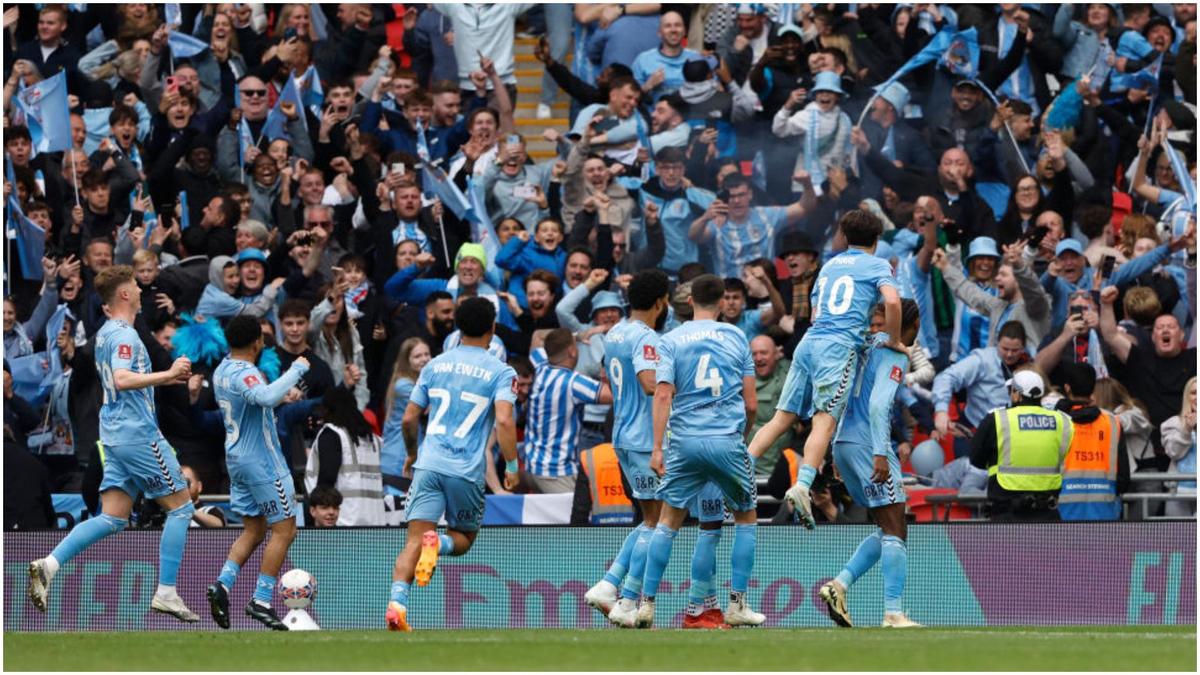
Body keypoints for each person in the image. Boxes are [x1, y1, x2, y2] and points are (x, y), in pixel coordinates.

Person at [27, 265, 198, 622]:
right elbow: (121, 379)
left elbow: (125, 381)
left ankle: (51, 563)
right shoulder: (124, 336)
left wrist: (166, 382)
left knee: (113, 517)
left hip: (115, 436)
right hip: (138, 435)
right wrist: (168, 374)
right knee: (181, 508)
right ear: (124, 294)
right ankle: (166, 592)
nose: (140, 289)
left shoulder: (104, 334)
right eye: (135, 285)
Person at [588, 270, 729, 630]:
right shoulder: (646, 338)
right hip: (642, 438)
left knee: (651, 520)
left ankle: (609, 586)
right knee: (658, 523)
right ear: (660, 302)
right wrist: (693, 391)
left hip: (622, 433)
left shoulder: (615, 331)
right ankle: (625, 599)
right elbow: (651, 384)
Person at [749, 209, 904, 528]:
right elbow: (892, 302)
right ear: (876, 240)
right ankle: (804, 486)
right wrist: (893, 339)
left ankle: (740, 469)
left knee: (782, 418)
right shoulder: (877, 265)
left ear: (845, 238)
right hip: (837, 348)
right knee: (824, 421)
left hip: (809, 342)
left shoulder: (831, 265)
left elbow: (817, 314)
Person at [638, 274, 765, 628]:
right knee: (745, 518)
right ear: (724, 302)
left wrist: (657, 449)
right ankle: (737, 603)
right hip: (726, 439)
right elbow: (751, 402)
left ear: (690, 300)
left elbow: (662, 394)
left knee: (667, 522)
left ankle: (646, 604)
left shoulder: (672, 339)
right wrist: (740, 434)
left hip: (684, 442)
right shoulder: (737, 336)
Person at [385, 297, 519, 632]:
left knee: (413, 540)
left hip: (429, 465)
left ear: (458, 327)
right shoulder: (501, 371)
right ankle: (439, 544)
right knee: (463, 538)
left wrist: (413, 453)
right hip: (465, 470)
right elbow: (504, 420)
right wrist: (512, 467)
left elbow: (409, 418)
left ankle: (396, 605)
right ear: (492, 329)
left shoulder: (435, 365)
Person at [803, 299, 923, 629]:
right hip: (869, 445)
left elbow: (840, 397)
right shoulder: (895, 354)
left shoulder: (862, 347)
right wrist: (880, 452)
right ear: (910, 325)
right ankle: (893, 613)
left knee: (888, 526)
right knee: (896, 526)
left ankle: (838, 585)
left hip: (845, 442)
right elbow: (879, 406)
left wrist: (835, 449)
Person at [207, 315, 310, 630]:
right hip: (262, 462)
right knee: (285, 530)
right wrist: (297, 370)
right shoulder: (246, 372)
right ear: (257, 342)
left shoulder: (221, 370)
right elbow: (264, 396)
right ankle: (261, 600)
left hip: (236, 458)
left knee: (254, 529)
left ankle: (222, 584)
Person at [969, 367, 1074, 521]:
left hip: (1006, 513)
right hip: (1047, 514)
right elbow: (1063, 453)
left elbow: (976, 458)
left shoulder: (997, 419)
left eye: (1011, 391)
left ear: (1017, 395)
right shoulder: (1062, 420)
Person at [524, 328, 613, 493]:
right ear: (572, 351)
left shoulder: (540, 366)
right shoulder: (573, 382)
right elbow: (612, 395)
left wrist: (576, 336)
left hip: (532, 468)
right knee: (579, 516)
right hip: (556, 474)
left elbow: (537, 335)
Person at [1056, 363, 1130, 522]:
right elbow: (1123, 478)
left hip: (1063, 514)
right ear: (1093, 389)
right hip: (1105, 513)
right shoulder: (1112, 422)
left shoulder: (1057, 422)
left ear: (1067, 388)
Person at [305, 386, 385, 526]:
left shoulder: (332, 435)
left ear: (328, 409)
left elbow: (326, 480)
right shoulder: (373, 439)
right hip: (375, 523)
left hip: (342, 523)